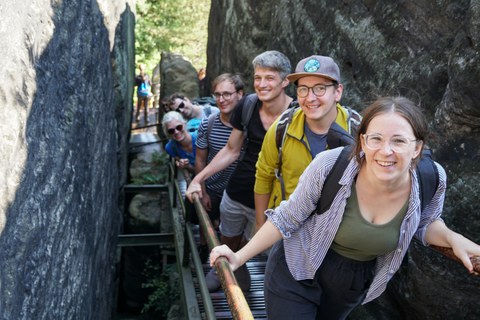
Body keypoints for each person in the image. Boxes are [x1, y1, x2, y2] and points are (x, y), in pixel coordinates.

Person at [209, 96, 480, 319]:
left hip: (351, 282)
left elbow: (425, 222)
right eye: (375, 139)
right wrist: (239, 256)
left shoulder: (431, 178)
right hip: (296, 268)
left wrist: (453, 239)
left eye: (398, 141)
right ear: (362, 141)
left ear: (417, 148)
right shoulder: (330, 166)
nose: (386, 151)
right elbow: (287, 217)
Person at [186, 50, 293, 292]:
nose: (262, 84)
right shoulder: (248, 105)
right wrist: (198, 179)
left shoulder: (296, 115)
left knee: (261, 246)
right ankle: (231, 275)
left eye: (270, 78)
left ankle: (242, 274)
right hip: (237, 191)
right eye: (258, 78)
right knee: (228, 238)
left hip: (272, 200)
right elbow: (231, 150)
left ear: (285, 81)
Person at [254, 55, 360, 230]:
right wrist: (260, 225)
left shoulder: (356, 130)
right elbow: (264, 176)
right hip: (288, 227)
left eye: (320, 88)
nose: (310, 98)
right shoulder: (282, 128)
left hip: (338, 231)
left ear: (338, 92)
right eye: (303, 89)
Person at [194, 73, 245, 262]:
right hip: (214, 188)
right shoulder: (208, 124)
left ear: (239, 94)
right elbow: (200, 160)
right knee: (205, 220)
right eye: (217, 95)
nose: (221, 100)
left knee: (231, 234)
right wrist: (203, 191)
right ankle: (202, 247)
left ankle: (228, 262)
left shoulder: (250, 125)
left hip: (239, 192)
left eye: (227, 94)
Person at [161, 111, 196, 196]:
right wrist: (186, 165)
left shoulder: (200, 138)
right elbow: (192, 170)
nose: (176, 132)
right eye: (171, 131)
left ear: (184, 124)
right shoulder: (171, 148)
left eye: (179, 127)